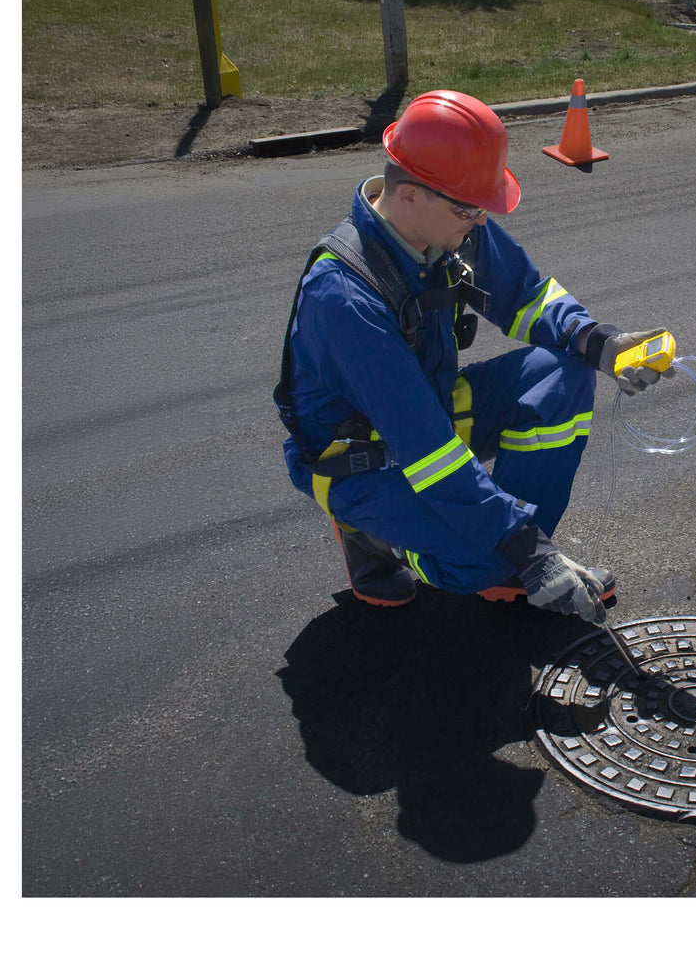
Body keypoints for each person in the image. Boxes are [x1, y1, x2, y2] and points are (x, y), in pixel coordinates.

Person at [275, 89, 669, 624]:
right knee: (485, 557)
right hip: (362, 456)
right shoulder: (344, 297)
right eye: (471, 207)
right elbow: (427, 449)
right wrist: (525, 548)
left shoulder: (448, 225)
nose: (482, 220)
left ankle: (516, 556)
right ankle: (374, 534)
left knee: (563, 370)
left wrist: (598, 342)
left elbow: (527, 295)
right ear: (411, 194)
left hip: (428, 416)